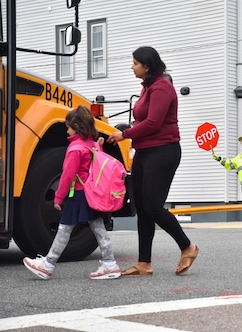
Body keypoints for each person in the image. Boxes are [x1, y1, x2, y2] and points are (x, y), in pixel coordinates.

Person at [107, 46, 198, 276]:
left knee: (153, 206)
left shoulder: (162, 88)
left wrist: (124, 134)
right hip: (144, 152)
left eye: (135, 63)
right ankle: (144, 263)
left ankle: (188, 246)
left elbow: (153, 123)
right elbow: (142, 121)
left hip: (163, 151)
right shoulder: (147, 88)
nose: (132, 66)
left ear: (147, 66)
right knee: (143, 209)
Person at [23, 105, 120, 280]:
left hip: (79, 194)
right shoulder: (91, 145)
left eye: (68, 126)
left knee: (64, 229)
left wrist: (58, 197)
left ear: (77, 127)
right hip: (90, 193)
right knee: (97, 228)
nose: (66, 129)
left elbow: (67, 176)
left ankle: (48, 265)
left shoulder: (75, 149)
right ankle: (109, 263)